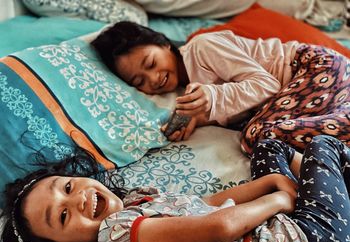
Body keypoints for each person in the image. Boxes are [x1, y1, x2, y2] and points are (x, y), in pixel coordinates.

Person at [2, 135, 350, 242]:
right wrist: (279, 200)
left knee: (270, 149)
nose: (75, 200)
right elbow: (220, 227)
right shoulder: (117, 236)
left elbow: (211, 204)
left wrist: (272, 183)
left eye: (66, 187)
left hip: (288, 226)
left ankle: (333, 195)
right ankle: (333, 197)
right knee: (323, 146)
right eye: (62, 217)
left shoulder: (136, 203)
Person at [91, 21, 350, 154]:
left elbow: (266, 85)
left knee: (257, 137)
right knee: (272, 145)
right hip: (307, 91)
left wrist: (214, 97)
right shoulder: (189, 91)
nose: (153, 78)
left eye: (151, 63)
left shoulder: (202, 47)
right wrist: (200, 118)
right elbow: (247, 107)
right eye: (139, 82)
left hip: (315, 67)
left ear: (164, 44)